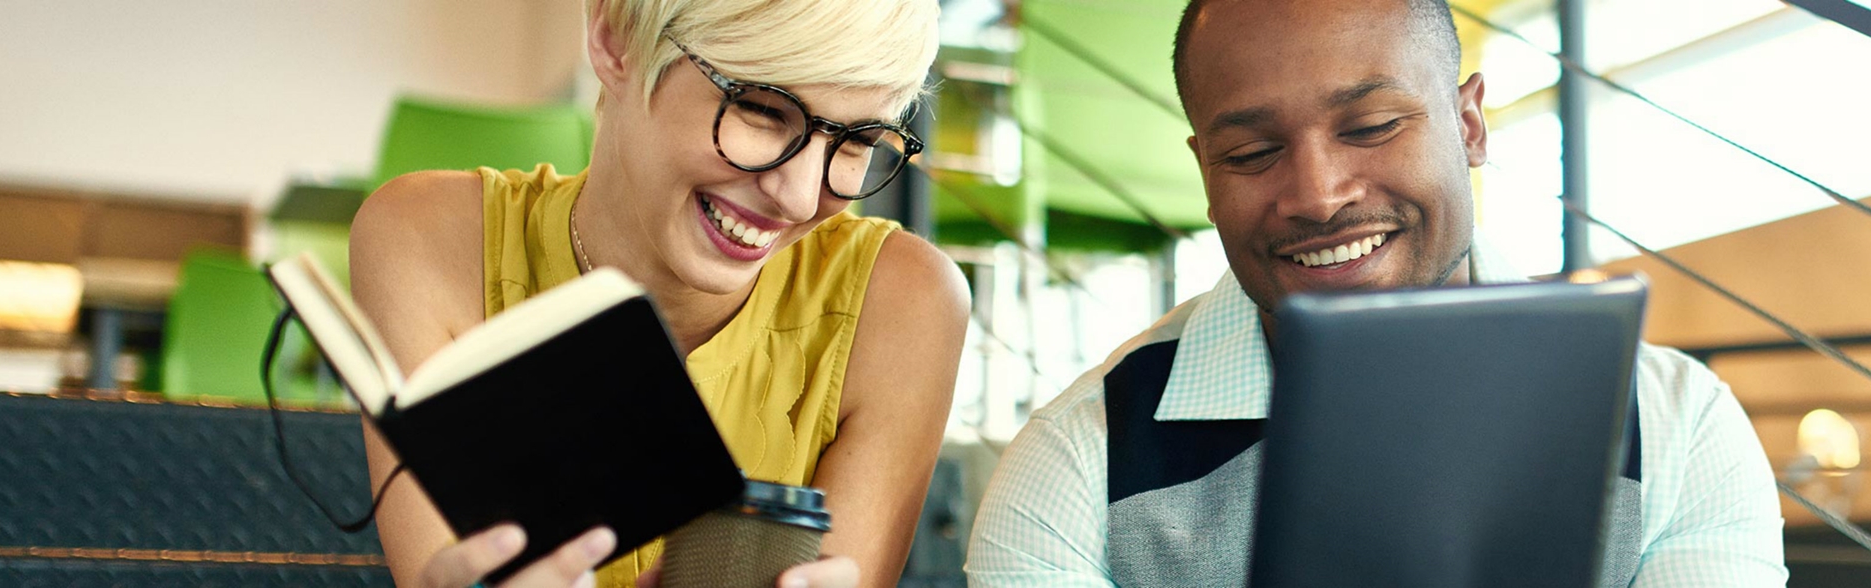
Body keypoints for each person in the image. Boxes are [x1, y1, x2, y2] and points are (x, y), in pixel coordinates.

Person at [965, 0, 1786, 586]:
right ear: (1204, 176)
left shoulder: (1676, 425)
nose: (1318, 194)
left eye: (1370, 127)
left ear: (1469, 127)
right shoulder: (1078, 463)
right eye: (1251, 152)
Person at [348, 1, 969, 587]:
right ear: (615, 37)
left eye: (858, 141)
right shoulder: (427, 241)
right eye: (760, 109)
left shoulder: (903, 304)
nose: (801, 197)